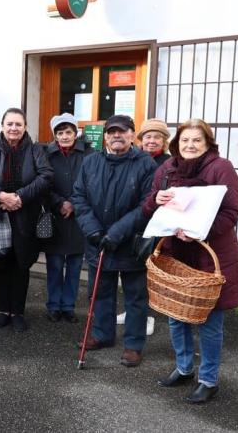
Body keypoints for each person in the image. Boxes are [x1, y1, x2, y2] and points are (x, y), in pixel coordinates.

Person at [142, 118, 238, 403]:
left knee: (209, 323)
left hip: (211, 257)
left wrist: (198, 233)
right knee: (176, 317)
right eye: (185, 140)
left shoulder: (221, 167)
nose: (190, 145)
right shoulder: (167, 168)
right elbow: (149, 203)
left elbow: (231, 212)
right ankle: (184, 368)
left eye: (197, 140)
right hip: (176, 255)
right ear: (176, 143)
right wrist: (156, 199)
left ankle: (209, 380)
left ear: (208, 143)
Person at [71, 114, 157, 367]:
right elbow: (79, 197)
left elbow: (147, 205)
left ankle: (133, 345)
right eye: (112, 132)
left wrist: (117, 232)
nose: (117, 136)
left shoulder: (145, 164)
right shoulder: (90, 162)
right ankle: (102, 334)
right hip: (98, 241)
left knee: (135, 297)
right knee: (100, 293)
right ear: (105, 136)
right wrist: (94, 231)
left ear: (132, 135)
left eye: (123, 131)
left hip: (131, 243)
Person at [0, 108, 53, 333]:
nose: (14, 128)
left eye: (18, 124)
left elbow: (46, 177)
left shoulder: (36, 150)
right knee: (1, 263)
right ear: (2, 126)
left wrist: (20, 197)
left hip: (24, 216)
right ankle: (3, 311)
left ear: (25, 127)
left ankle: (18, 312)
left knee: (21, 264)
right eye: (9, 124)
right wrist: (1, 195)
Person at [116, 117, 172, 334]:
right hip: (132, 222)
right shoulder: (133, 158)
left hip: (155, 224)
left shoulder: (169, 162)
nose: (151, 141)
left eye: (157, 137)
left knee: (149, 272)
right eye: (148, 136)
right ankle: (131, 310)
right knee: (130, 272)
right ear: (140, 138)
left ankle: (147, 315)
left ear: (164, 140)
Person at [40, 113, 93, 324]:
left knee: (74, 266)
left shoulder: (89, 153)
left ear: (76, 133)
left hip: (79, 217)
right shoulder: (45, 154)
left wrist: (73, 203)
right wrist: (59, 203)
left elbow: (91, 182)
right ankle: (53, 305)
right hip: (56, 216)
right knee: (53, 265)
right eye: (60, 133)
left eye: (68, 132)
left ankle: (69, 306)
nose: (64, 136)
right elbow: (42, 183)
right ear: (55, 135)